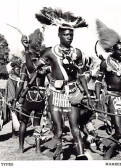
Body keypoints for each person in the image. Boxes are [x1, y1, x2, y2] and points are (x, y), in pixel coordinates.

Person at [34, 7, 93, 160]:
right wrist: (30, 53)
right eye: (66, 34)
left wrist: (87, 94)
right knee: (59, 131)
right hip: (55, 93)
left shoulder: (77, 53)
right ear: (58, 34)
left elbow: (80, 76)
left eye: (71, 35)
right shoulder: (49, 52)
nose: (69, 37)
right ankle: (57, 154)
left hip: (73, 93)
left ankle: (81, 156)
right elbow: (34, 68)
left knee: (75, 128)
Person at [95, 19, 121, 160]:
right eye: (119, 49)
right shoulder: (105, 63)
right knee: (118, 131)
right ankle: (108, 153)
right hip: (113, 98)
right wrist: (96, 99)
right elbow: (98, 82)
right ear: (112, 50)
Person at [14, 29, 50, 154]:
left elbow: (20, 83)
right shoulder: (44, 65)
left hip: (29, 96)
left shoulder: (25, 65)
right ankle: (38, 149)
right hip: (41, 96)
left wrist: (15, 99)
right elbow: (50, 82)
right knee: (37, 122)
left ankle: (21, 147)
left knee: (23, 122)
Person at [4, 58, 22, 138]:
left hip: (18, 99)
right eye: (17, 69)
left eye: (19, 69)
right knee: (14, 115)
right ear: (13, 70)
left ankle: (19, 131)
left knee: (19, 115)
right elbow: (11, 90)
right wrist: (14, 99)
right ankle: (14, 133)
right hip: (13, 100)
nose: (19, 71)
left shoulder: (18, 79)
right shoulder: (10, 79)